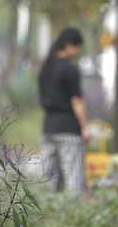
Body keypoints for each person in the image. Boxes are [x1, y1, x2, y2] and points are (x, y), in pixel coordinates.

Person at [38, 28, 89, 195]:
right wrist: (85, 127)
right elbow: (77, 101)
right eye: (77, 47)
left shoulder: (45, 68)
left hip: (49, 127)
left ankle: (48, 213)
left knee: (50, 178)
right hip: (69, 128)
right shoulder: (70, 70)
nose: (78, 51)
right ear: (68, 45)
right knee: (74, 176)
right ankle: (75, 215)